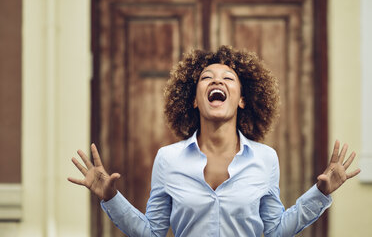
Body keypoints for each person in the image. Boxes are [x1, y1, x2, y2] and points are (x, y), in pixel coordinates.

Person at [68, 46, 361, 237]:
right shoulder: (168, 159)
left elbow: (275, 230)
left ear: (243, 99)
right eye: (206, 78)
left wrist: (320, 193)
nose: (217, 82)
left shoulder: (265, 158)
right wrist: (111, 198)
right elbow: (152, 233)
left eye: (228, 79)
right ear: (194, 100)